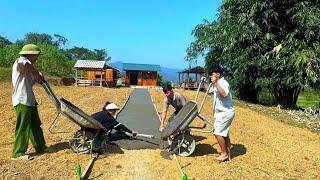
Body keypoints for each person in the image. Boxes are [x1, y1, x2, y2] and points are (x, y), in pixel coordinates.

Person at [11, 44, 46, 160]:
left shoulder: (29, 68)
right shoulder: (20, 61)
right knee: (23, 126)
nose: (37, 58)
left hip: (30, 100)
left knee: (35, 125)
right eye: (36, 56)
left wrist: (39, 77)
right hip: (21, 100)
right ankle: (18, 153)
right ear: (31, 55)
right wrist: (37, 74)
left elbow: (34, 77)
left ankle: (41, 147)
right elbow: (26, 65)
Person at [201, 64, 235, 162]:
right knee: (224, 134)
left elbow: (224, 93)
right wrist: (204, 83)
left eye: (212, 74)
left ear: (218, 74)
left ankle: (224, 154)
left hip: (226, 112)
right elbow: (210, 91)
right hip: (222, 113)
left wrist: (215, 83)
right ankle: (228, 155)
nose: (211, 76)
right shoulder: (217, 83)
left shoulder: (223, 82)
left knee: (217, 132)